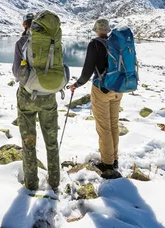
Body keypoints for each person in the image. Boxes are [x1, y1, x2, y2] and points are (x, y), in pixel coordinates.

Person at [12, 13, 60, 192]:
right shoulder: (50, 41)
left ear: (25, 25)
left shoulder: (21, 43)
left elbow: (17, 72)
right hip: (48, 96)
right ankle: (54, 181)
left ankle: (31, 183)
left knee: (28, 141)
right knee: (52, 140)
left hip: (27, 98)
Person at [70, 18, 122, 178]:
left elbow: (87, 71)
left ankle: (107, 164)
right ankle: (114, 159)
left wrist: (76, 84)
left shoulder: (95, 44)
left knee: (103, 126)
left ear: (96, 29)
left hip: (102, 89)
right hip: (118, 88)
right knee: (113, 124)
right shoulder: (116, 43)